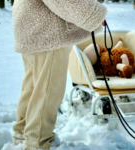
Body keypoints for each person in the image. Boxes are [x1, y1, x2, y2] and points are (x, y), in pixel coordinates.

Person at [12, 0, 107, 150]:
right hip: (47, 34)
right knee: (48, 90)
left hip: (32, 28)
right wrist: (94, 15)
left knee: (34, 86)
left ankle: (23, 136)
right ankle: (38, 143)